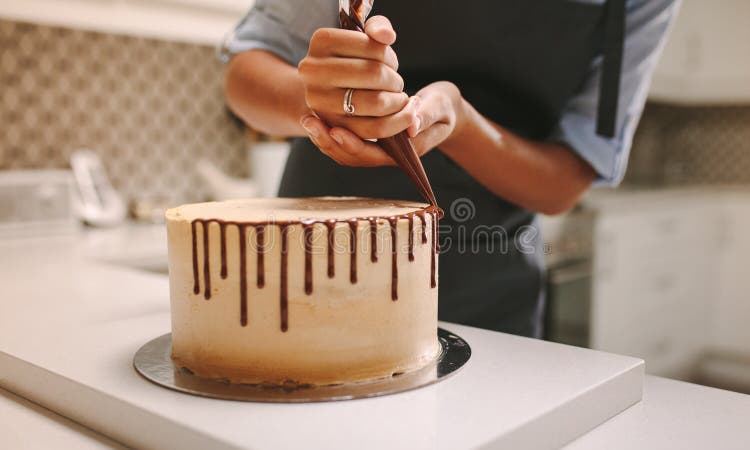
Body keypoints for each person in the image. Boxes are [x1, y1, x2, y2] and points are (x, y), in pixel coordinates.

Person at [221, 0, 679, 338]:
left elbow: (564, 183)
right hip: (314, 269)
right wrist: (317, 98)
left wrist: (460, 124)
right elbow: (244, 76)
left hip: (490, 300)